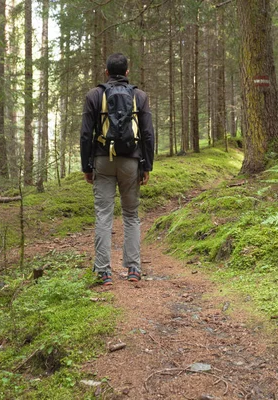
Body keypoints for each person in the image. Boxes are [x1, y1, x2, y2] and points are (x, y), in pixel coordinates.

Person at [80, 53, 155, 286]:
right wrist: (147, 166)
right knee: (131, 215)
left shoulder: (94, 95)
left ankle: (103, 271)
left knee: (104, 214)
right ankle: (133, 268)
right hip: (131, 161)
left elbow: (85, 134)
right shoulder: (139, 96)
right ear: (127, 72)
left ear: (106, 72)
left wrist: (86, 166)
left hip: (102, 159)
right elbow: (148, 134)